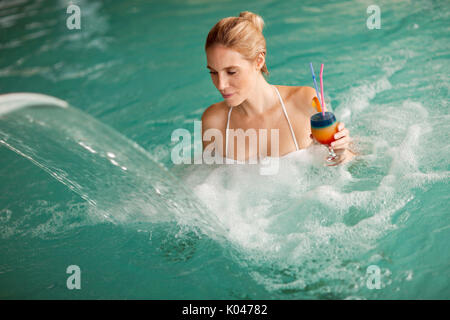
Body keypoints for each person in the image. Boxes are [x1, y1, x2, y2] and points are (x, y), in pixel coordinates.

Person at [201, 11, 355, 165]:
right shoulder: (214, 121)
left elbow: (347, 166)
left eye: (231, 72)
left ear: (259, 61)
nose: (221, 84)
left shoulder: (303, 101)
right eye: (213, 72)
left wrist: (341, 153)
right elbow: (206, 180)